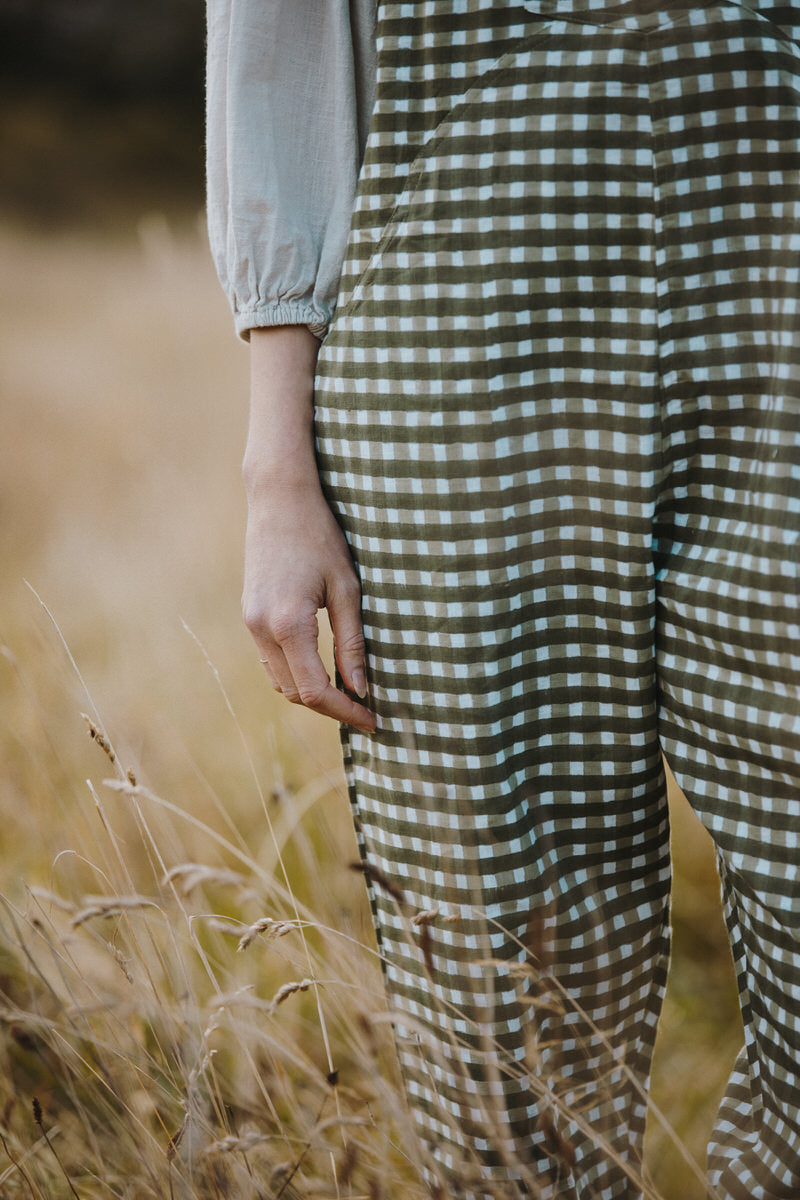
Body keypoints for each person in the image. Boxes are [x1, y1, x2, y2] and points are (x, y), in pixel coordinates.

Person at [206, 1, 800, 1196]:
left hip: (772, 274)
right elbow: (275, 51)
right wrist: (277, 474)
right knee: (505, 930)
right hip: (460, 315)